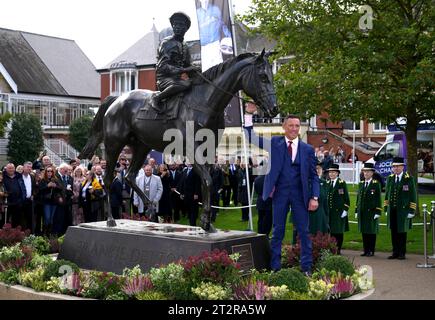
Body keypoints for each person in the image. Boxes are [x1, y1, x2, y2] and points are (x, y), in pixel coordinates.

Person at [243, 104, 320, 275]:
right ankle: (275, 268)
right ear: (284, 126)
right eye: (291, 125)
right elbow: (251, 137)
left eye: (297, 126)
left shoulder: (307, 150)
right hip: (280, 194)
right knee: (278, 231)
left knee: (304, 232)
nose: (294, 129)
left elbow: (314, 176)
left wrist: (315, 197)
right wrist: (249, 114)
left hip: (301, 196)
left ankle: (306, 268)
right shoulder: (275, 143)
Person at [151, 12, 199, 112]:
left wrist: (197, 69)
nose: (177, 27)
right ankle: (157, 98)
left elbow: (188, 64)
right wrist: (185, 70)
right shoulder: (166, 43)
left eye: (181, 25)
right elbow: (162, 66)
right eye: (175, 24)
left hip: (177, 79)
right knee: (185, 84)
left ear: (186, 28)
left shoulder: (185, 46)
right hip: (165, 80)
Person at [384, 157, 417, 260]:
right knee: (393, 231)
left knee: (402, 232)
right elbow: (387, 195)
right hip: (392, 210)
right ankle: (395, 252)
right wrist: (386, 208)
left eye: (398, 166)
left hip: (403, 210)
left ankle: (402, 253)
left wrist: (412, 210)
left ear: (403, 167)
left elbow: (413, 195)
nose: (396, 168)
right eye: (394, 166)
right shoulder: (390, 178)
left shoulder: (408, 179)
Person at [196, 0, 232, 71]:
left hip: (215, 45)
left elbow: (223, 25)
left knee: (218, 70)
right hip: (203, 47)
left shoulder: (215, 9)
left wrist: (230, 37)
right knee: (206, 72)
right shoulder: (197, 13)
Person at [355, 162, 382, 257]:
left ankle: (371, 250)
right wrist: (356, 210)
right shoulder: (361, 184)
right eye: (364, 172)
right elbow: (358, 198)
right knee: (364, 231)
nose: (366, 173)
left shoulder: (376, 184)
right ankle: (366, 250)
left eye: (368, 172)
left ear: (372, 173)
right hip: (362, 211)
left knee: (371, 231)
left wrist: (378, 211)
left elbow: (378, 198)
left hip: (371, 211)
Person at [325, 164, 350, 255]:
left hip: (339, 211)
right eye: (330, 172)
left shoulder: (342, 183)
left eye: (333, 172)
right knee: (330, 231)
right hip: (329, 212)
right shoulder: (327, 183)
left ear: (337, 173)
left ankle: (338, 248)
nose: (331, 174)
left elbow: (346, 198)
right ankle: (332, 248)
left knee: (338, 231)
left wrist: (345, 209)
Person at [39, 166, 63, 236]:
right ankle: (44, 232)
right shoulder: (43, 180)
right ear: (46, 172)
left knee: (51, 218)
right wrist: (47, 186)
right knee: (47, 217)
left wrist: (55, 186)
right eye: (48, 171)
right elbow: (40, 190)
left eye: (51, 171)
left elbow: (61, 188)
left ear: (53, 172)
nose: (50, 173)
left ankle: (49, 233)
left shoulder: (55, 179)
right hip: (46, 201)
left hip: (54, 201)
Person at [309, 161, 329, 235]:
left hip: (321, 215)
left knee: (321, 240)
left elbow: (325, 202)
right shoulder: (306, 182)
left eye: (319, 168)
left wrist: (327, 217)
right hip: (309, 216)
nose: (317, 170)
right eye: (315, 168)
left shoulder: (323, 183)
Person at [3, 163, 26, 228]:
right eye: (9, 168)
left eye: (12, 168)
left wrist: (23, 198)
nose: (11, 169)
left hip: (17, 202)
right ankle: (4, 234)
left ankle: (15, 234)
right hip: (7, 202)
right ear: (6, 169)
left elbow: (23, 187)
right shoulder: (3, 176)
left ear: (14, 168)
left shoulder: (19, 176)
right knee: (5, 219)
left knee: (16, 220)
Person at [254, 173, 272, 238]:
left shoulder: (257, 179)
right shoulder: (270, 179)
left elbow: (256, 190)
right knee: (268, 219)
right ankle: (265, 234)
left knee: (260, 219)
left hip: (260, 200)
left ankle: (260, 233)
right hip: (268, 201)